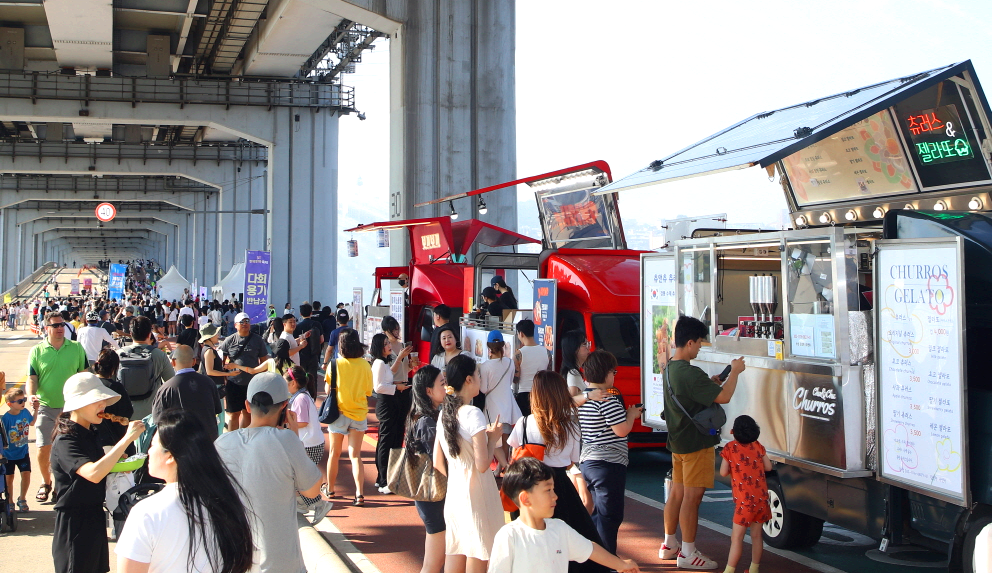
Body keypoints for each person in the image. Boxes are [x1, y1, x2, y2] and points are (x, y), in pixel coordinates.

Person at [116, 409, 254, 573]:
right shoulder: (228, 500)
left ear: (170, 456)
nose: (149, 451)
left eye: (153, 445)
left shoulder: (146, 512)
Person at [215, 372, 324, 572]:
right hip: (280, 561)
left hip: (234, 559)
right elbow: (313, 490)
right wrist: (295, 439)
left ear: (247, 405)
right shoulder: (287, 441)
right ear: (284, 406)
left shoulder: (222, 443)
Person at [660, 316, 745, 570]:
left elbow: (691, 393)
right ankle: (687, 553)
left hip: (677, 441)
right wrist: (736, 372)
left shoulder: (670, 368)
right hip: (696, 442)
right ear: (688, 342)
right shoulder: (690, 372)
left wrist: (712, 382)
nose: (700, 347)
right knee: (692, 498)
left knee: (677, 493)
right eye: (698, 343)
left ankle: (669, 544)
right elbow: (726, 397)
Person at [508, 371, 609, 573]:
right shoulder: (570, 424)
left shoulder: (524, 423)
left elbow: (514, 456)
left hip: (528, 487)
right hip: (560, 486)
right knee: (575, 539)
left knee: (529, 541)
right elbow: (572, 461)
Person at [50, 373, 145, 573]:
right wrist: (125, 440)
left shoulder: (89, 432)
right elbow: (93, 473)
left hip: (94, 516)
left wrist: (119, 462)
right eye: (96, 401)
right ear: (77, 404)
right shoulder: (66, 439)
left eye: (103, 401)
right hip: (74, 522)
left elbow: (100, 467)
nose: (102, 405)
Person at [489, 458, 640, 573]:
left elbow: (590, 549)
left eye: (554, 489)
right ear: (525, 498)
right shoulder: (509, 536)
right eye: (548, 490)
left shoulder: (560, 528)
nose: (555, 496)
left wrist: (622, 565)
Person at [434, 354, 504, 572]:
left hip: (455, 491)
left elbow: (438, 460)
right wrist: (492, 439)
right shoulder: (473, 413)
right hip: (478, 491)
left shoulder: (444, 412)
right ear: (468, 380)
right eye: (477, 374)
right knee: (480, 550)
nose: (479, 378)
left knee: (456, 549)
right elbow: (482, 465)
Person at [576, 350, 643, 555]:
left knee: (600, 515)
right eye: (614, 372)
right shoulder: (609, 399)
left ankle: (595, 557)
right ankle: (606, 561)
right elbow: (621, 430)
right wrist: (631, 415)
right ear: (605, 374)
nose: (615, 376)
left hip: (588, 463)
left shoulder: (584, 399)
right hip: (608, 464)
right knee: (609, 517)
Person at [27, 311, 89, 504]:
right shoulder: (37, 351)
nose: (61, 328)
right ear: (47, 328)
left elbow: (84, 374)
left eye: (62, 325)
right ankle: (46, 483)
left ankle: (62, 486)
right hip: (46, 407)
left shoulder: (77, 348)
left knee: (70, 449)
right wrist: (31, 394)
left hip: (71, 409)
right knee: (43, 448)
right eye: (56, 325)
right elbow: (32, 377)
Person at [405, 365, 449, 573]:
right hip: (432, 496)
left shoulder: (422, 416)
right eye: (442, 383)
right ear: (428, 391)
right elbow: (442, 459)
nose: (446, 386)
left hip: (430, 495)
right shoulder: (426, 421)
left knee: (436, 561)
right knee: (433, 563)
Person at [324, 328, 373, 506]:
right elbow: (368, 391)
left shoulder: (335, 365)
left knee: (334, 453)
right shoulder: (365, 365)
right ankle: (359, 493)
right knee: (355, 456)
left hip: (339, 413)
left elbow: (328, 390)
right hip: (359, 413)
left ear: (341, 346)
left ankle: (330, 489)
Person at [719, 415, 772, 573]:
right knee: (757, 536)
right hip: (761, 498)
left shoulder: (730, 448)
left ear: (733, 432)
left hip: (744, 502)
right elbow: (768, 467)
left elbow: (722, 472)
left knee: (736, 538)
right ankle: (754, 569)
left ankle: (729, 570)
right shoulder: (758, 446)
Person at [285, 364, 331, 523]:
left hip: (309, 444)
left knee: (298, 477)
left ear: (293, 383)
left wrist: (287, 424)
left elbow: (302, 422)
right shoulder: (303, 396)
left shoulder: (300, 398)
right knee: (298, 477)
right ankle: (302, 503)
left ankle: (318, 504)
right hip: (312, 443)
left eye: (286, 383)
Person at [370, 331, 412, 493]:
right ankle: (383, 480)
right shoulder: (379, 363)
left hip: (390, 403)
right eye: (386, 344)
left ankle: (383, 478)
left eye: (388, 343)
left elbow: (390, 374)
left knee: (388, 439)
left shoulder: (383, 362)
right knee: (387, 441)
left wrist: (400, 358)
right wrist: (397, 387)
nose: (389, 346)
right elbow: (379, 387)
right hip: (387, 404)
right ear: (380, 347)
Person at [151, 345, 223, 437]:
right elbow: (217, 409)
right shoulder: (209, 382)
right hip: (208, 440)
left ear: (173, 362)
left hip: (181, 442)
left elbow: (157, 419)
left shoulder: (166, 388)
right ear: (193, 361)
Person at [118, 316, 176, 422]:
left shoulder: (119, 354)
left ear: (131, 334)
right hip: (151, 413)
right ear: (150, 335)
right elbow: (172, 382)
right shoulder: (159, 355)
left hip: (124, 413)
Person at [219, 312, 269, 430]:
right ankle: (233, 441)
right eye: (242, 322)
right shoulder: (229, 340)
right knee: (233, 414)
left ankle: (244, 438)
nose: (245, 324)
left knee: (248, 413)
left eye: (247, 321)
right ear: (235, 325)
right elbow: (222, 361)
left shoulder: (258, 340)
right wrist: (225, 377)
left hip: (252, 384)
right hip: (233, 384)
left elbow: (264, 361)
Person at [478, 330, 520, 472]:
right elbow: (510, 381)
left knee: (493, 439)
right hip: (508, 403)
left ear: (488, 347)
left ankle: (501, 469)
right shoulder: (509, 362)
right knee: (506, 439)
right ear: (503, 345)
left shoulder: (485, 366)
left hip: (492, 405)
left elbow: (483, 389)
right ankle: (502, 467)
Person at [3, 387, 40, 513]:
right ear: (9, 404)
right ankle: (10, 501)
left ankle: (22, 498)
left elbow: (32, 422)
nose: (23, 402)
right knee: (9, 478)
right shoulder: (5, 419)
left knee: (26, 474)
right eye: (19, 401)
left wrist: (36, 410)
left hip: (23, 452)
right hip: (8, 454)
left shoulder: (25, 412)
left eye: (23, 399)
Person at [91, 349, 135, 454]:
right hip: (116, 441)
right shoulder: (116, 388)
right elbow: (127, 412)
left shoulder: (89, 384)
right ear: (114, 369)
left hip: (94, 440)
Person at [513, 319, 551, 416]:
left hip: (525, 395)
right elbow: (549, 374)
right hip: (542, 393)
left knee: (525, 426)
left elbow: (515, 379)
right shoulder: (546, 352)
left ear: (521, 334)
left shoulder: (518, 354)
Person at [294, 303, 324, 398]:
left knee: (302, 376)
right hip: (313, 354)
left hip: (301, 354)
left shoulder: (298, 326)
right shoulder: (316, 324)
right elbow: (321, 339)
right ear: (311, 313)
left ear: (300, 314)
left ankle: (302, 396)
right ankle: (312, 397)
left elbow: (295, 342)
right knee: (312, 377)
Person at [560, 330, 591, 396]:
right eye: (584, 344)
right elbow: (571, 402)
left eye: (588, 343)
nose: (588, 347)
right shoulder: (573, 373)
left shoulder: (574, 371)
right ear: (574, 349)